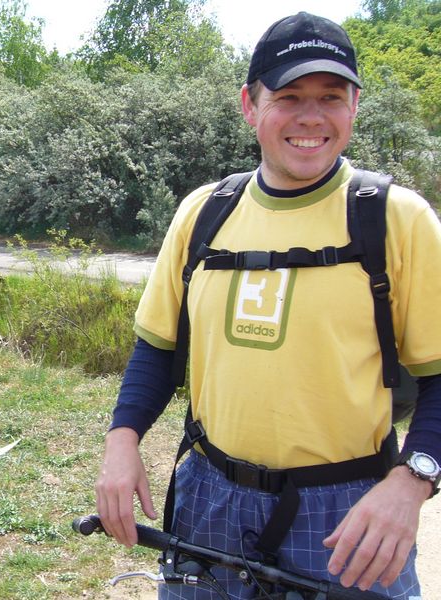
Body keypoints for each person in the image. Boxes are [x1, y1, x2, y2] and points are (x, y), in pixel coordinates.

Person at [96, 12, 441, 600]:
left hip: (349, 510)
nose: (311, 116)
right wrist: (121, 441)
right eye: (288, 96)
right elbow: (156, 347)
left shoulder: (397, 219)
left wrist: (411, 483)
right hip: (209, 492)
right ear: (250, 106)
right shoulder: (204, 212)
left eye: (331, 96)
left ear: (354, 106)